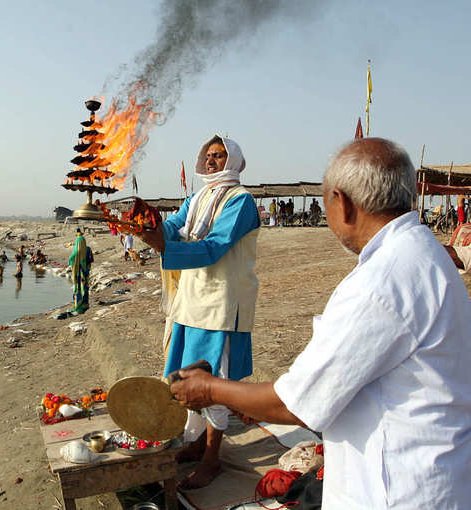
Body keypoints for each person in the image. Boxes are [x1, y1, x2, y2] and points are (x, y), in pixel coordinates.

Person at [170, 138, 471, 509]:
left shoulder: (379, 283)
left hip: (398, 491)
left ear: (341, 203)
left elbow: (296, 405)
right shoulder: (423, 250)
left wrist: (211, 390)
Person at [138, 134, 260, 490]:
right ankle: (194, 444)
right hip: (190, 299)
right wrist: (148, 226)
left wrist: (165, 246)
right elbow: (174, 227)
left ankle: (212, 458)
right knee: (184, 375)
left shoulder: (241, 201)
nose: (210, 161)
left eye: (219, 155)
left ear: (233, 160)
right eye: (207, 155)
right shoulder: (195, 198)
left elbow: (215, 247)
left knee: (214, 380)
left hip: (221, 302)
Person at [69, 229, 91, 314]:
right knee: (85, 288)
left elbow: (71, 261)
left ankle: (78, 306)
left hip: (78, 274)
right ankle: (85, 304)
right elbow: (90, 261)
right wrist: (86, 269)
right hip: (85, 273)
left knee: (78, 288)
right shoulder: (88, 249)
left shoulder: (75, 252)